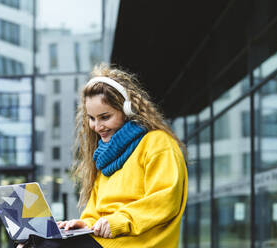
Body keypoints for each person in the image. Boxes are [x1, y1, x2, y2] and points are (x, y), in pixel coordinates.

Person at [18, 64, 188, 248]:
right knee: (29, 242)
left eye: (105, 117)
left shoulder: (158, 143)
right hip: (106, 240)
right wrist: (85, 224)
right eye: (92, 118)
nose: (97, 127)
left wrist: (119, 221)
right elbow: (96, 208)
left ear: (127, 110)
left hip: (138, 241)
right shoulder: (106, 155)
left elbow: (165, 201)